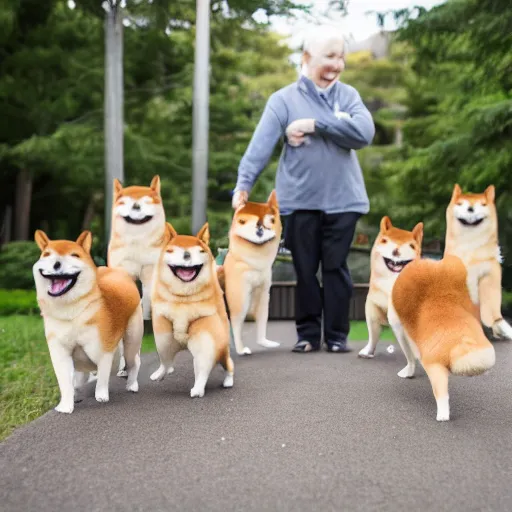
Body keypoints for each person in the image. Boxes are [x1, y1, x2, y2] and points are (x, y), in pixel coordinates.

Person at [231, 24, 375, 353]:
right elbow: (259, 148)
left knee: (336, 268)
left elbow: (363, 133)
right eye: (330, 57)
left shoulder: (348, 96)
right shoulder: (283, 100)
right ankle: (308, 335)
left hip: (344, 201)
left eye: (341, 57)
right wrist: (243, 185)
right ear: (307, 58)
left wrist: (315, 125)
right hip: (298, 202)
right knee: (305, 270)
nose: (337, 64)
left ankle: (337, 337)